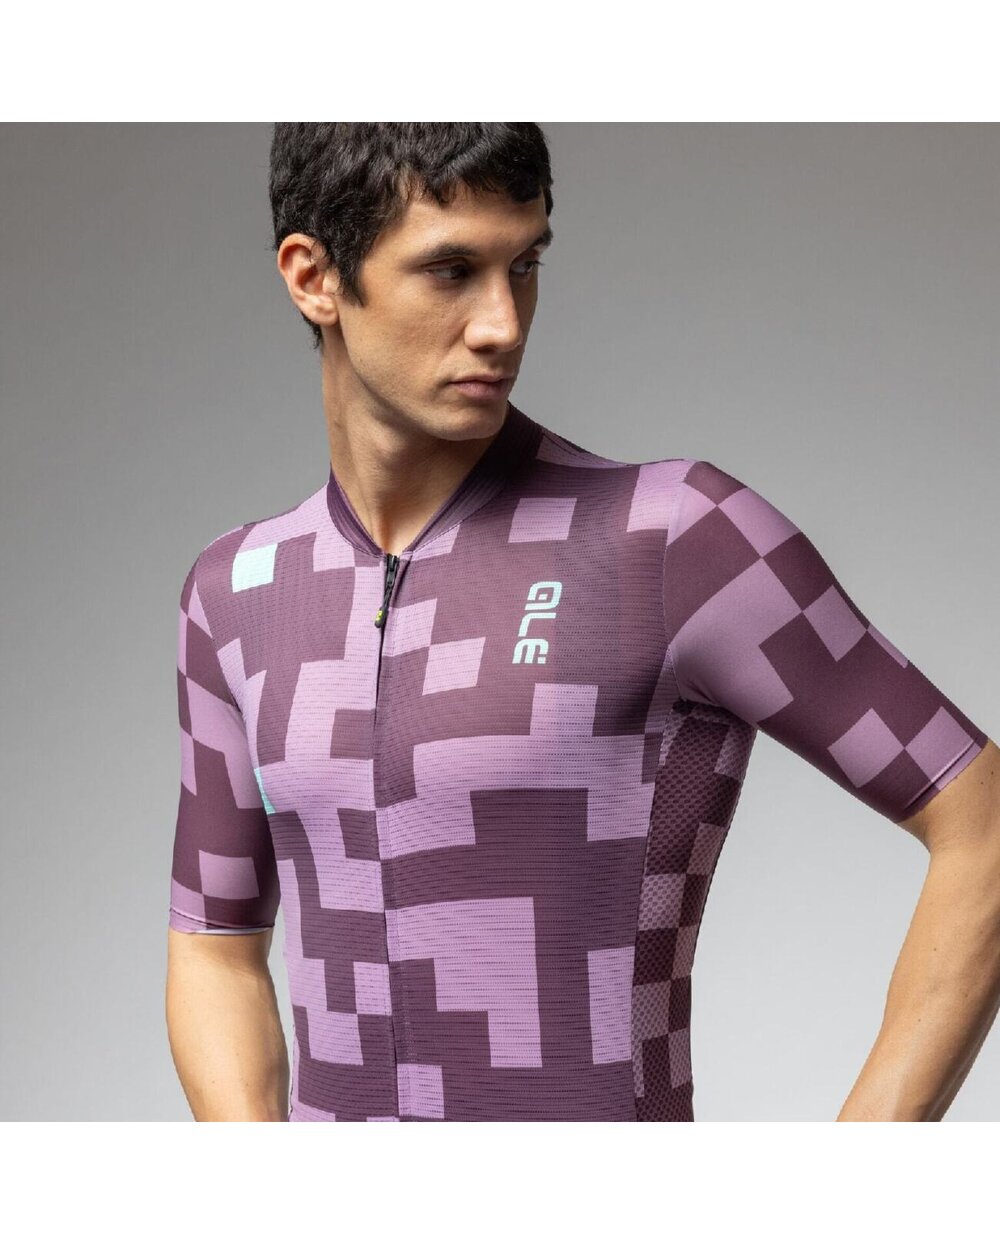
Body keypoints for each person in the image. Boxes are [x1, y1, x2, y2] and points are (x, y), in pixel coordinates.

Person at [165, 122, 999, 1123]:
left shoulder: (670, 539)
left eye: (524, 266)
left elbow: (984, 823)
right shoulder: (238, 592)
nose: (502, 325)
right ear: (315, 278)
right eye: (452, 271)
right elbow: (213, 944)